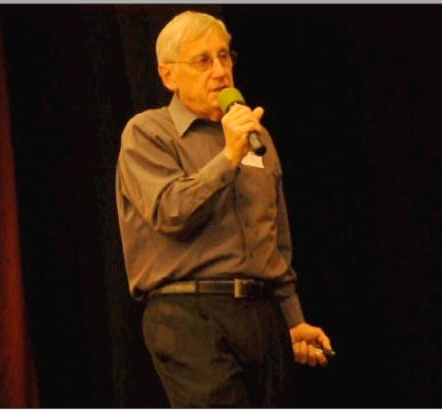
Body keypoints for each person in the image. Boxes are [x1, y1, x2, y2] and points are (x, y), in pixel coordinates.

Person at [115, 10, 334, 407]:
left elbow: (274, 237)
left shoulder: (255, 135)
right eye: (202, 61)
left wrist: (293, 317)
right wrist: (228, 158)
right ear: (169, 76)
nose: (219, 70)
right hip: (189, 315)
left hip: (262, 315)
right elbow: (171, 211)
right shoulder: (148, 133)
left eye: (224, 56)